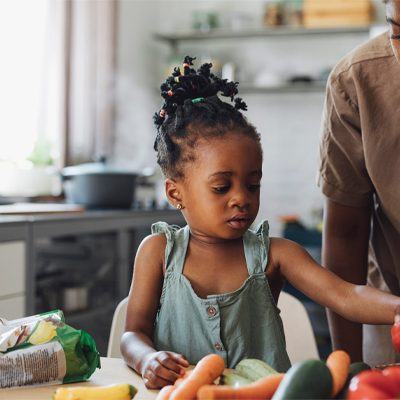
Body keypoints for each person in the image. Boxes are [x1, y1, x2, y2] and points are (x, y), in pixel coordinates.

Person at [121, 56, 400, 389]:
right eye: (221, 187)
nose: (241, 197)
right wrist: (147, 358)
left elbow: (347, 296)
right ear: (175, 192)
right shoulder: (158, 252)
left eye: (252, 185)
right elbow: (132, 334)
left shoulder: (276, 255)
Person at [318, 0, 400, 367]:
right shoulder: (356, 81)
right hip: (393, 312)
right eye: (398, 31)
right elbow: (346, 232)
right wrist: (349, 370)